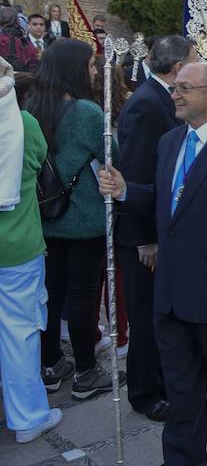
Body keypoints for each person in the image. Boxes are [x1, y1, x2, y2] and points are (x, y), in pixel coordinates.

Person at [99, 61, 207, 466]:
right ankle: (184, 455)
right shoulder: (170, 142)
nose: (174, 94)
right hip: (171, 287)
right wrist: (126, 191)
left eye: (183, 88)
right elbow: (167, 198)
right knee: (179, 379)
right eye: (174, 88)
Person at [24, 39, 118, 399]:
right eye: (91, 66)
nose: (94, 72)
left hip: (44, 218)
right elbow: (114, 155)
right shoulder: (87, 113)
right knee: (82, 297)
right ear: (74, 70)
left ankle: (50, 366)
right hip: (83, 221)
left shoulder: (32, 106)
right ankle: (85, 372)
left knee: (49, 295)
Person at [115, 35, 195, 423]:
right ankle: (145, 393)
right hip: (142, 239)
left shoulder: (162, 98)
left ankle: (163, 381)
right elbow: (133, 177)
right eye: (193, 61)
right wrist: (145, 238)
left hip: (161, 233)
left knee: (161, 314)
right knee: (146, 318)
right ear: (178, 67)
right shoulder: (146, 104)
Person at [0, 69, 63, 443]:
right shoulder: (23, 123)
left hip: (19, 246)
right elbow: (39, 161)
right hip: (18, 243)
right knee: (20, 332)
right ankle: (27, 417)